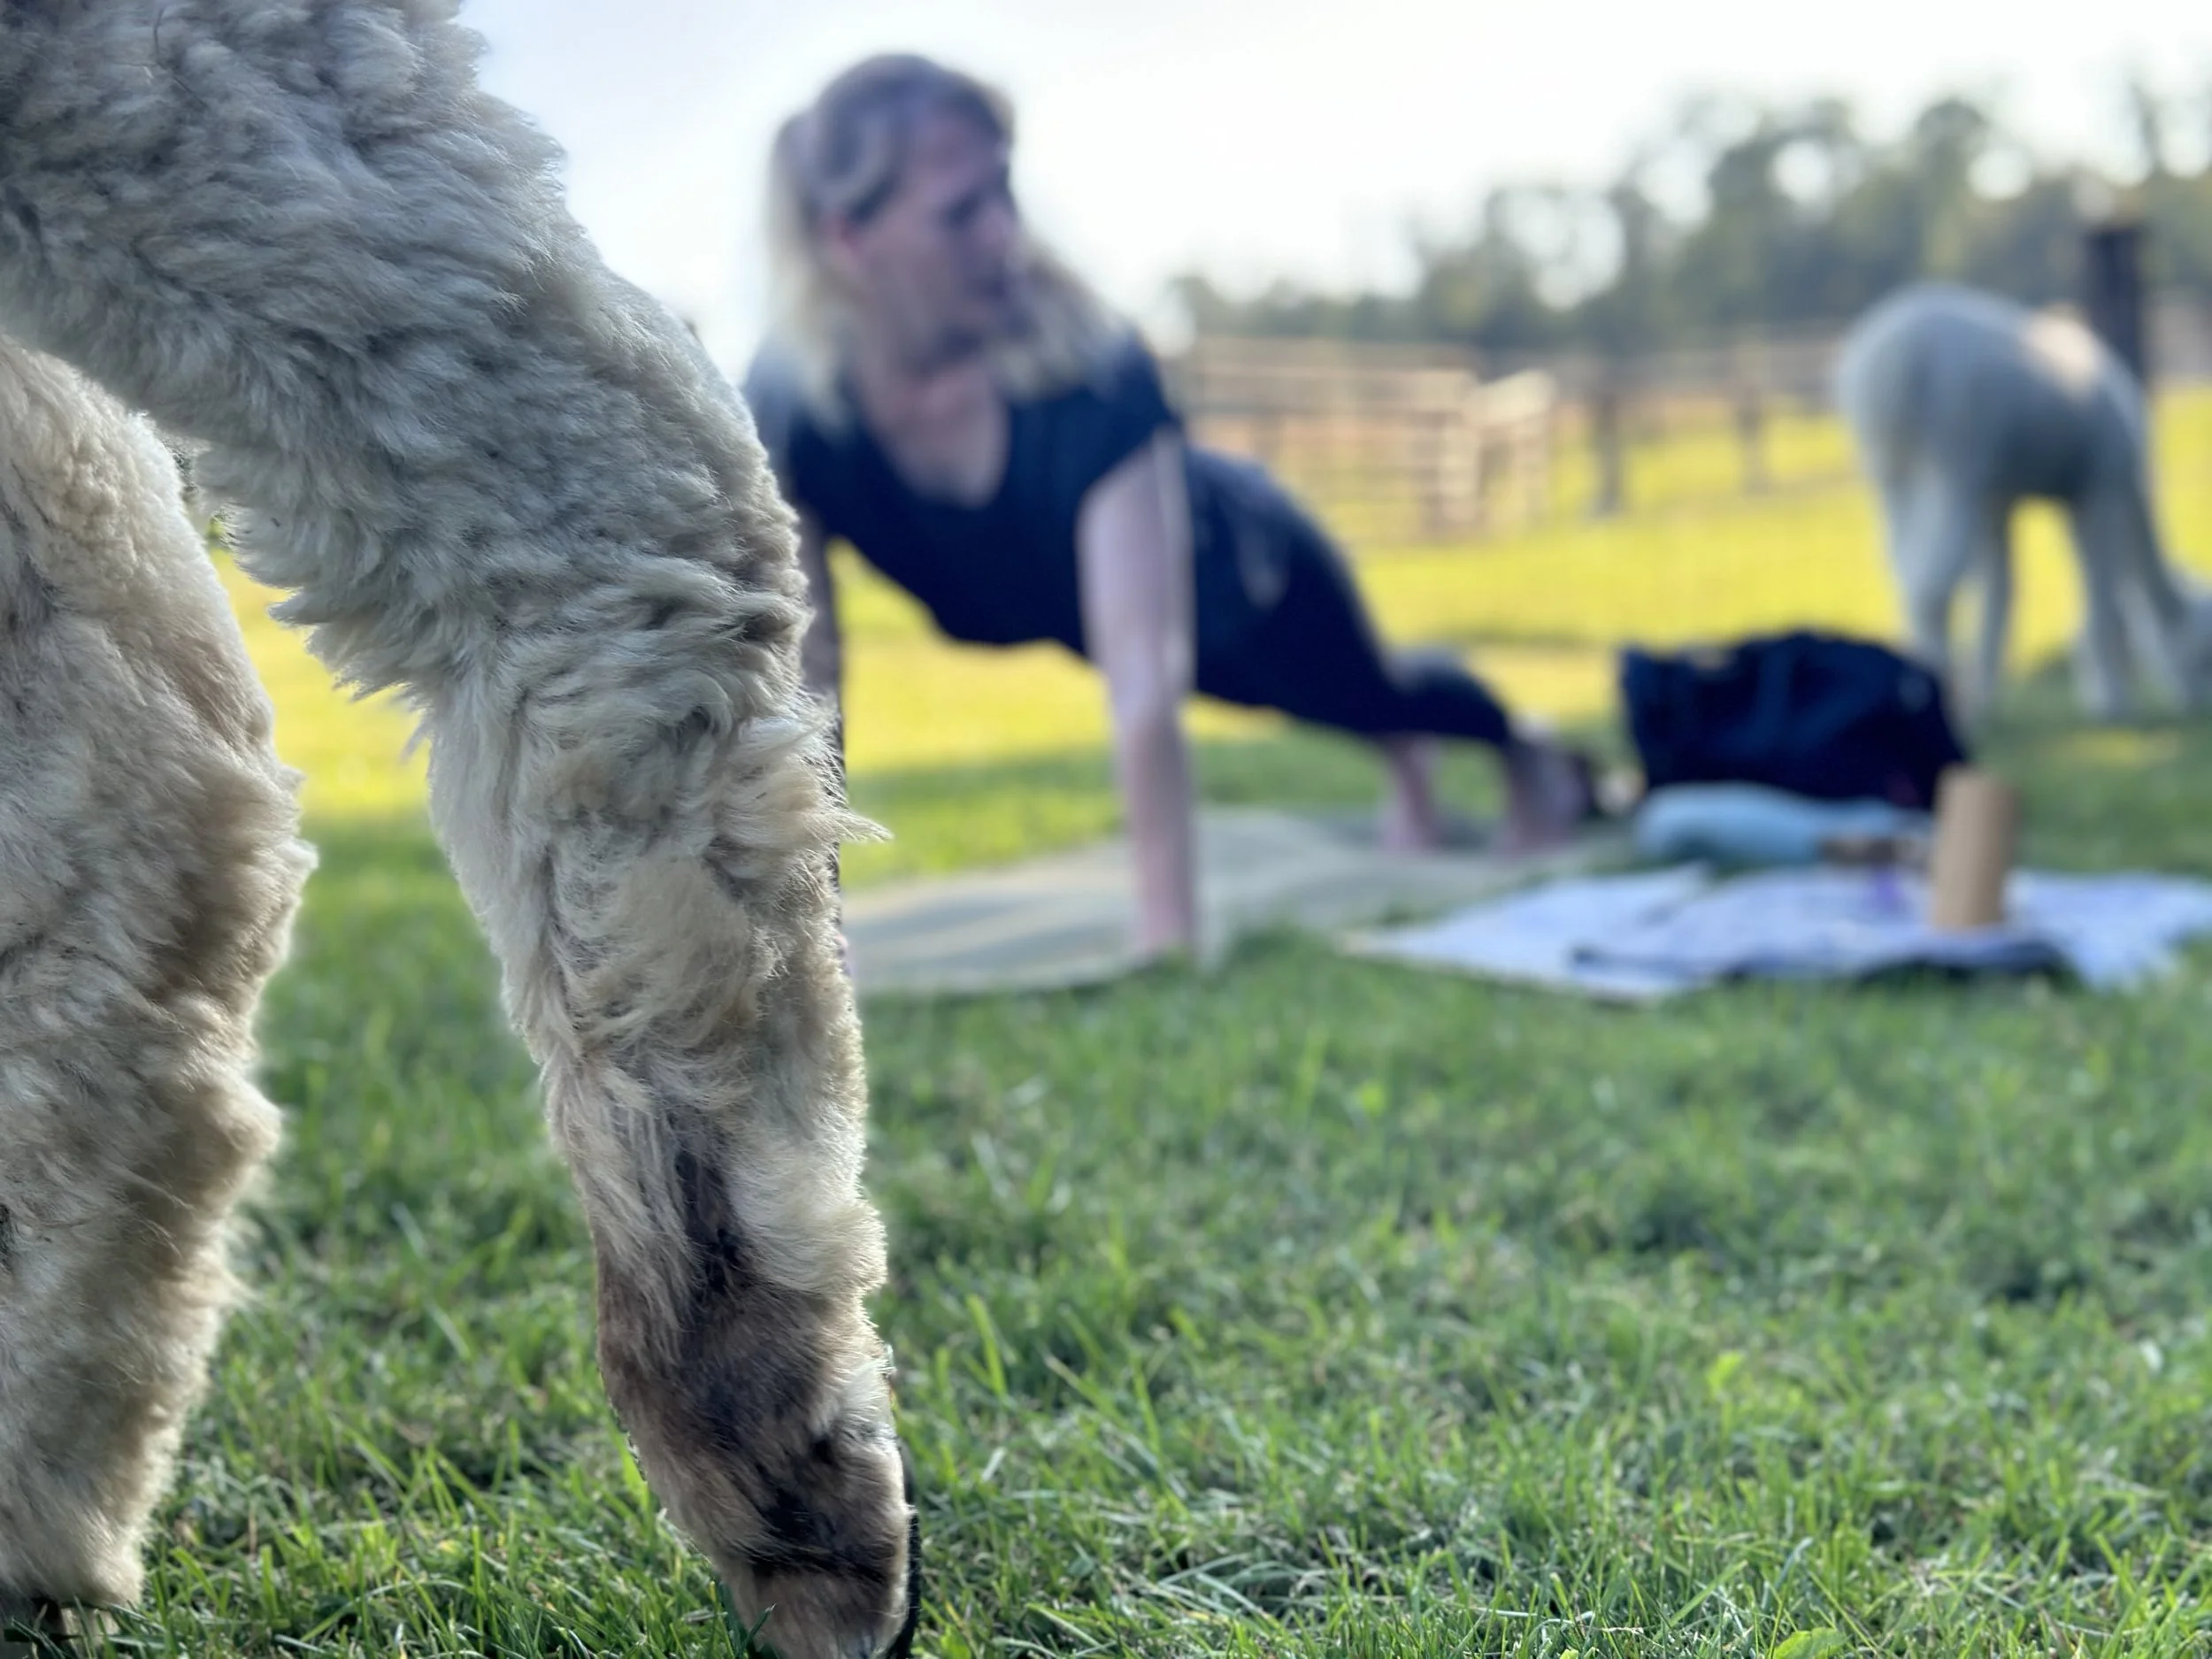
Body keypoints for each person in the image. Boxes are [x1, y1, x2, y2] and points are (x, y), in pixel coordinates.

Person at [745, 54, 1597, 959]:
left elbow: (1144, 678)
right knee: (1353, 706)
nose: (1005, 235)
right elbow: (808, 694)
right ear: (848, 238)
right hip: (1104, 618)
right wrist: (813, 951)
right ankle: (1411, 769)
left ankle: (1524, 748)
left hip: (1256, 572)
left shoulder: (1091, 368)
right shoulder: (796, 413)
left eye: (1005, 193)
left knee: (1370, 692)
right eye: (961, 212)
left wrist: (1168, 941)